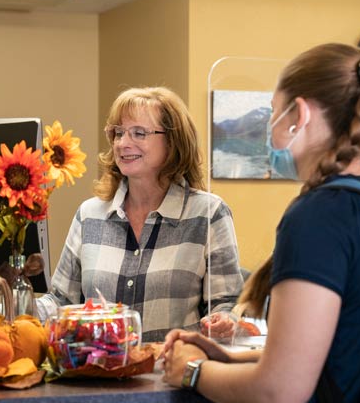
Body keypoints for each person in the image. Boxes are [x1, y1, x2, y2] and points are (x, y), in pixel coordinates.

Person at [162, 43, 360, 403]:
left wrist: (193, 372)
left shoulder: (318, 216)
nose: (269, 128)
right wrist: (227, 356)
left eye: (273, 112)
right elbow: (341, 352)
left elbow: (280, 391)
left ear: (300, 115)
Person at [37, 86, 243, 342]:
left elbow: (226, 304)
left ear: (173, 141)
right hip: (97, 373)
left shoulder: (209, 214)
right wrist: (5, 311)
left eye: (139, 133)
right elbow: (60, 301)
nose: (123, 143)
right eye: (118, 133)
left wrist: (225, 320)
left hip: (172, 375)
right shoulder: (89, 215)